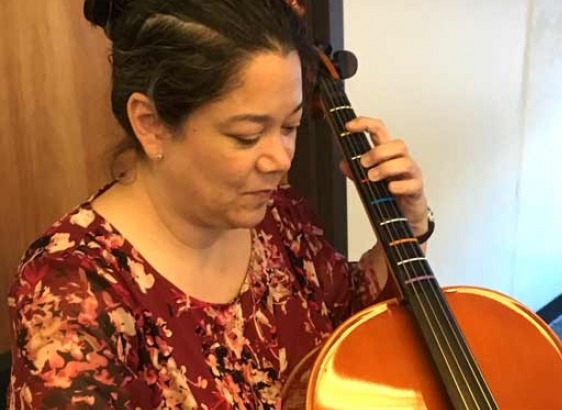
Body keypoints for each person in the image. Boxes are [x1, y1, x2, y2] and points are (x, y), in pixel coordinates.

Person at [6, 0, 431, 408]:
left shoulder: (278, 218)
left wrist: (407, 226)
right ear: (150, 124)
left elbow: (356, 327)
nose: (280, 159)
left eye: (290, 126)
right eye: (247, 136)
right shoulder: (71, 289)